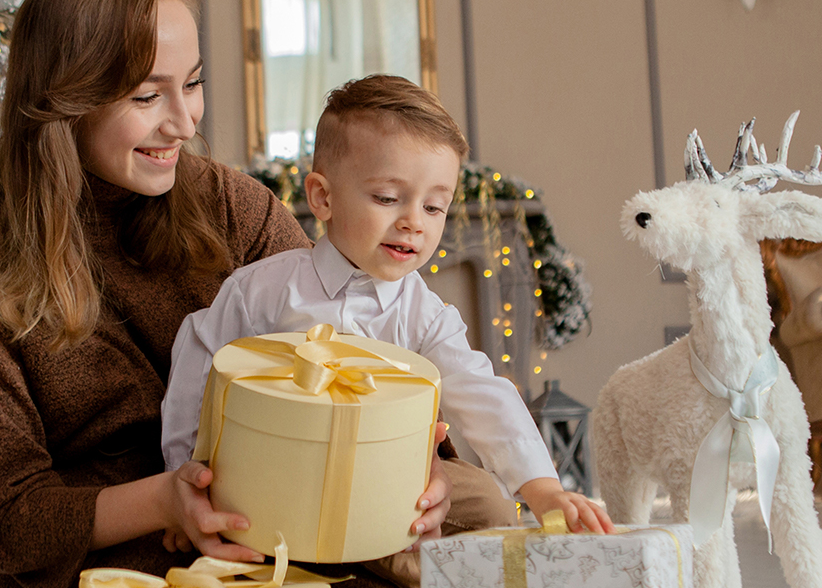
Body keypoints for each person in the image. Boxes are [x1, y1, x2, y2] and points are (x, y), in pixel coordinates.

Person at [0, 0, 453, 587]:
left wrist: (418, 468)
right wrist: (165, 501)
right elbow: (3, 522)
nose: (184, 121)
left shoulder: (234, 206)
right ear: (65, 100)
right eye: (148, 95)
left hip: (286, 548)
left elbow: (357, 366)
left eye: (194, 83)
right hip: (108, 571)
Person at [160, 75, 614, 586]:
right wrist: (185, 471)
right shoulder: (263, 290)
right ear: (323, 198)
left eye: (434, 206)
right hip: (283, 473)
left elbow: (480, 390)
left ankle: (400, 554)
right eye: (387, 198)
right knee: (274, 540)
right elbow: (200, 360)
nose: (413, 222)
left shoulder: (423, 311)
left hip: (390, 481)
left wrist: (542, 487)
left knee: (487, 503)